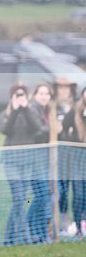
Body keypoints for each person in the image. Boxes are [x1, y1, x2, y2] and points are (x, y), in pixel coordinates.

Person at [0, 83, 47, 246]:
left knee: (20, 199)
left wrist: (25, 109)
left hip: (27, 161)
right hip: (11, 161)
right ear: (11, 98)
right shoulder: (4, 114)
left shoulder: (31, 112)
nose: (20, 98)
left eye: (22, 95)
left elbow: (37, 128)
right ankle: (24, 235)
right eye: (16, 95)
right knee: (18, 198)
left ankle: (9, 238)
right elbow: (6, 130)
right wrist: (15, 110)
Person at [27, 83, 54, 243]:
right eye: (41, 93)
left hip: (43, 159)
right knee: (42, 195)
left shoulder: (45, 111)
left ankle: (39, 231)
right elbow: (36, 131)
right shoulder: (33, 109)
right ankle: (33, 228)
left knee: (44, 195)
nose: (44, 96)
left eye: (47, 94)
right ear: (35, 94)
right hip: (34, 159)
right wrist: (51, 128)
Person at [61, 85, 86, 238]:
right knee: (78, 194)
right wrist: (73, 140)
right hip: (77, 158)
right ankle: (77, 226)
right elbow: (63, 131)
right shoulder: (75, 111)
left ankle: (84, 223)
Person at [54, 76, 78, 234]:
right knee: (61, 190)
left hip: (75, 154)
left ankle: (78, 223)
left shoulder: (77, 107)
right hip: (59, 155)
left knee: (78, 189)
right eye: (60, 88)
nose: (63, 91)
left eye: (66, 88)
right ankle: (63, 222)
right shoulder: (53, 108)